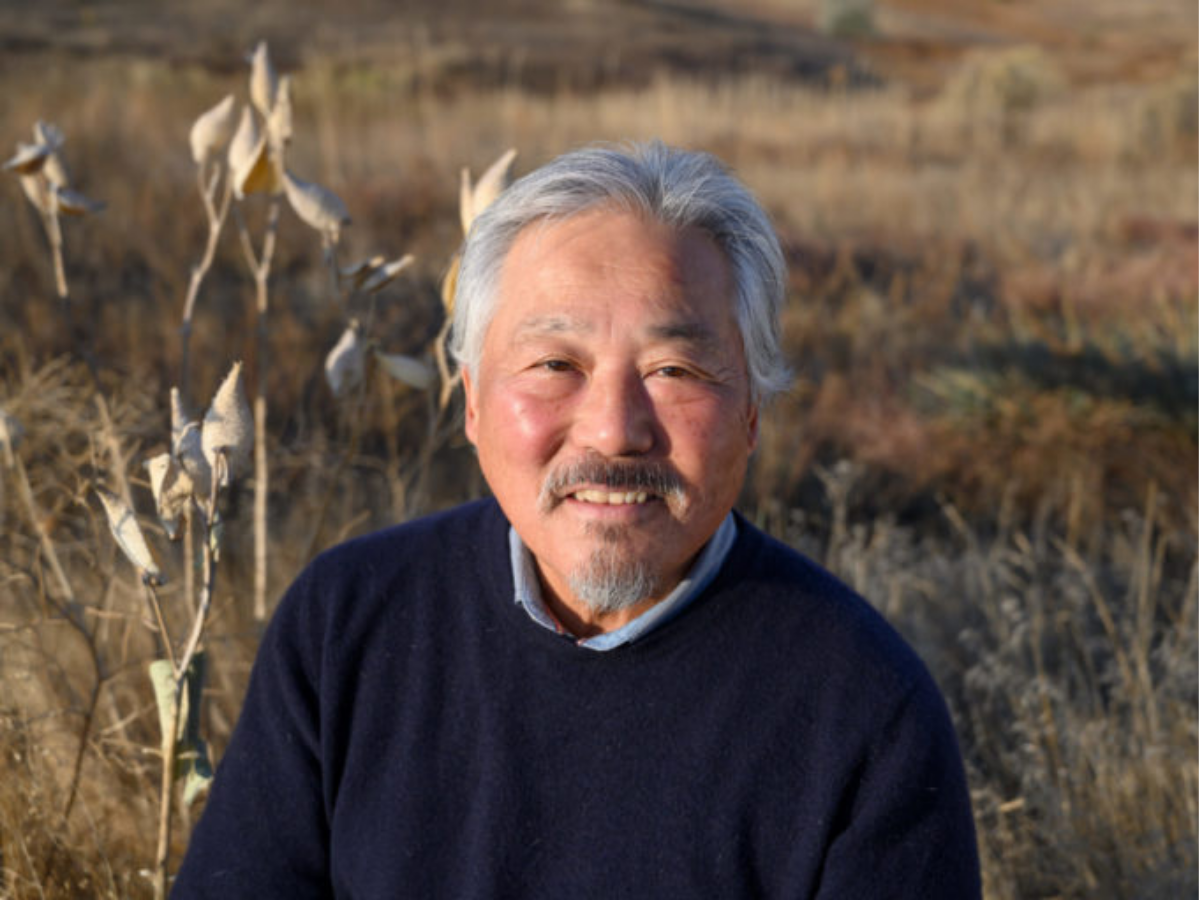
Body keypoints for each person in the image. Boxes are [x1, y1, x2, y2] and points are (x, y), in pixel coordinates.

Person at [174, 142, 980, 898]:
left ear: (753, 413)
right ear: (473, 399)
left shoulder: (866, 713)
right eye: (556, 364)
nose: (612, 429)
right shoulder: (348, 624)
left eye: (675, 369)